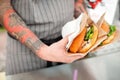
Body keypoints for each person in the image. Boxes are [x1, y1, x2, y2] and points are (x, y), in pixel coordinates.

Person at [0, 0, 86, 75]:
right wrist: (42, 50)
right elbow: (2, 8)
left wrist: (78, 3)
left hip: (68, 45)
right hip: (25, 53)